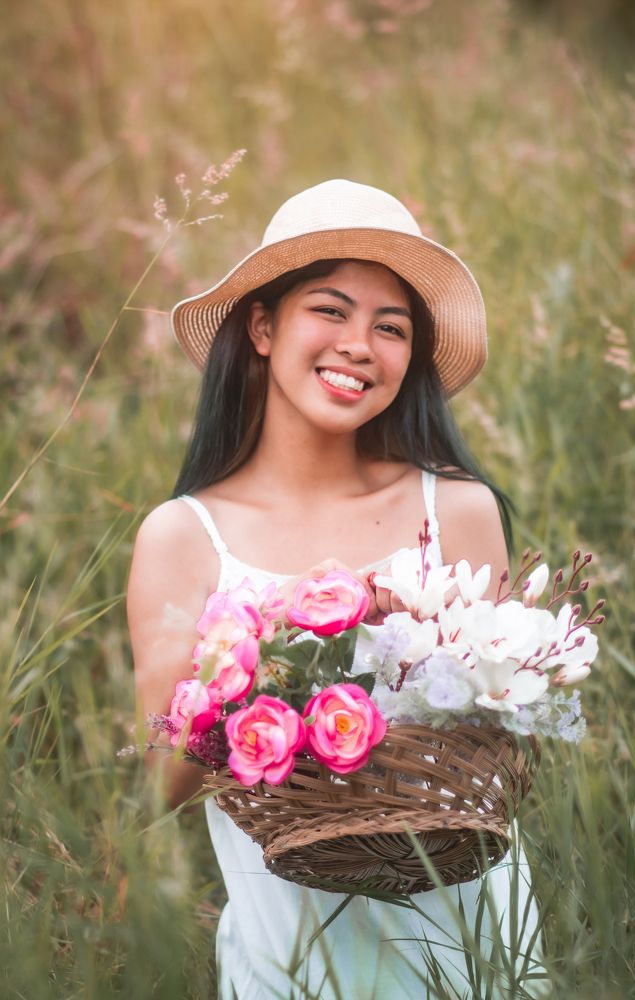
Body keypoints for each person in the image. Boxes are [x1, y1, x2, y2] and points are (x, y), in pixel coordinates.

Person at [127, 179, 547, 998]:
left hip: (470, 939)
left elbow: (506, 735)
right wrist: (276, 633)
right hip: (292, 958)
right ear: (261, 325)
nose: (360, 344)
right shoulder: (183, 537)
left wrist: (447, 649)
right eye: (331, 309)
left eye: (391, 328)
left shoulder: (454, 510)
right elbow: (162, 783)